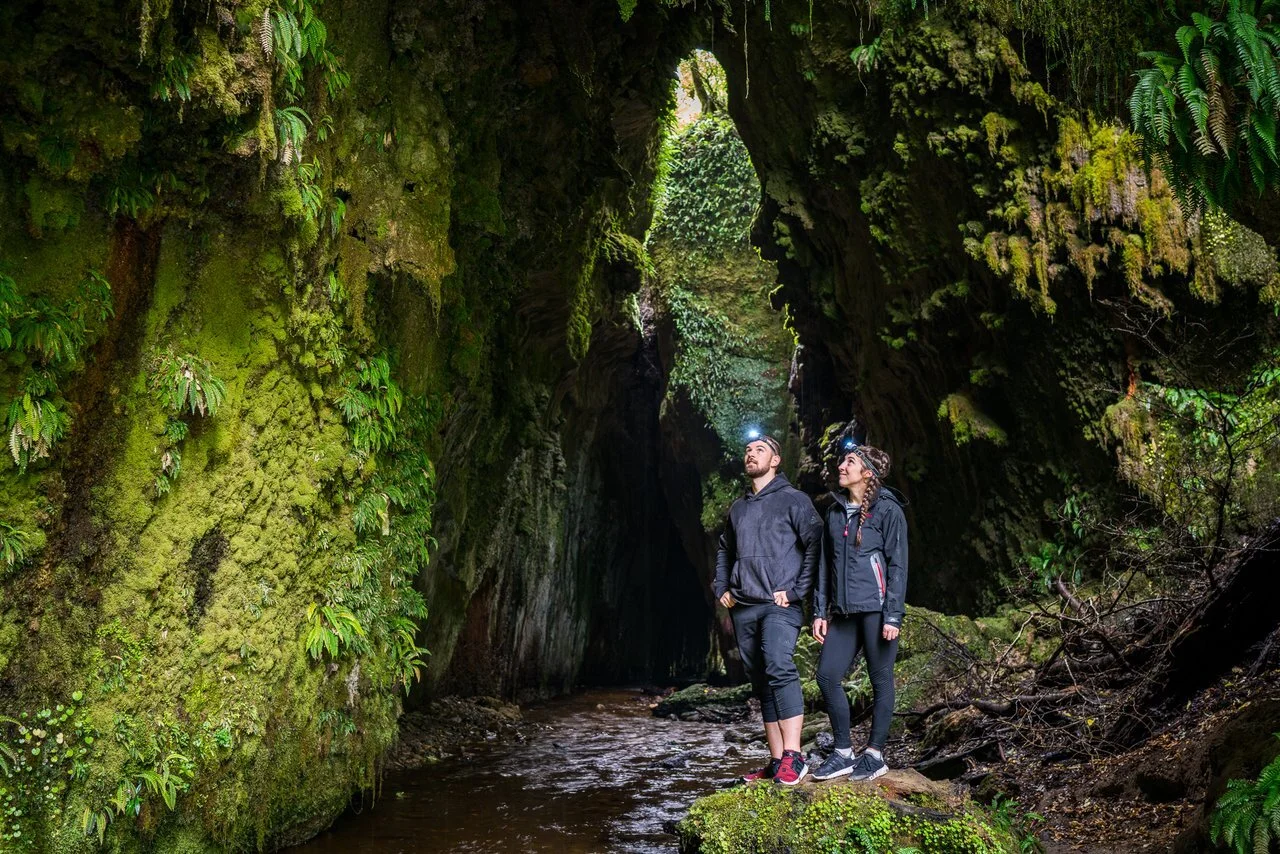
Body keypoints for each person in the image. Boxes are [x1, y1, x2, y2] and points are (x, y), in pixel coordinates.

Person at [714, 432, 823, 786]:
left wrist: (796, 591)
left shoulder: (794, 500)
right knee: (761, 680)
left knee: (779, 665)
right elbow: (724, 549)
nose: (751, 454)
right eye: (747, 449)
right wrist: (722, 587)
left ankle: (795, 756)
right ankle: (777, 761)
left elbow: (815, 545)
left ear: (775, 460)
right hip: (744, 605)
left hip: (779, 606)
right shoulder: (739, 508)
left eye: (759, 449)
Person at [811, 443, 907, 782]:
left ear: (867, 473)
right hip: (844, 611)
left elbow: (898, 565)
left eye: (849, 462)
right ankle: (843, 752)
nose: (841, 466)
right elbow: (825, 565)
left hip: (877, 610)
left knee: (881, 680)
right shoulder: (834, 513)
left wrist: (893, 615)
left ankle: (875, 754)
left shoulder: (887, 510)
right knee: (826, 675)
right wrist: (820, 611)